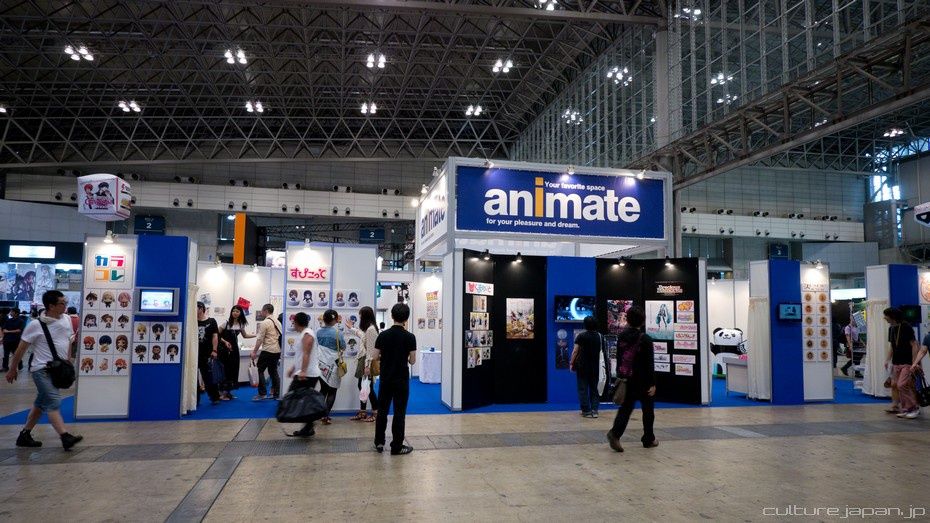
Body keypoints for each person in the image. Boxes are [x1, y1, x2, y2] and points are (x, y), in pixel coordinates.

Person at [4, 290, 83, 450]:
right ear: (51, 306)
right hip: (41, 370)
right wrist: (13, 369)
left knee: (41, 403)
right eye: (62, 303)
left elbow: (68, 340)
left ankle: (24, 435)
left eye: (65, 302)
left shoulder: (67, 319)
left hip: (58, 369)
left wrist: (67, 360)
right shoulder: (36, 325)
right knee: (53, 400)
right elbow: (21, 348)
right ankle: (65, 436)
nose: (65, 306)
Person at [606, 305, 657, 452]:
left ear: (627, 320)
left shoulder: (621, 337)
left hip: (627, 379)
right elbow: (649, 364)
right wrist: (652, 383)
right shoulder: (646, 339)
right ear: (643, 321)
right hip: (643, 381)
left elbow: (619, 357)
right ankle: (648, 439)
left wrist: (620, 375)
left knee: (626, 409)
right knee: (648, 411)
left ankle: (615, 433)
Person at [371, 303, 417, 455]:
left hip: (385, 378)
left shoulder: (383, 335)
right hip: (401, 380)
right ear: (406, 318)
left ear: (391, 316)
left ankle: (379, 442)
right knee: (399, 413)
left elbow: (375, 356)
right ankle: (396, 446)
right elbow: (412, 361)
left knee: (382, 411)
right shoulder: (410, 337)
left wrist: (386, 357)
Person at [884, 307, 921, 419]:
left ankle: (914, 407)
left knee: (902, 384)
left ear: (892, 316)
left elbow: (914, 345)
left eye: (886, 315)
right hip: (896, 362)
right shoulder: (891, 329)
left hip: (907, 362)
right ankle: (906, 408)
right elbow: (892, 346)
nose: (884, 318)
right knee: (897, 385)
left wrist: (914, 362)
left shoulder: (906, 327)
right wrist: (887, 359)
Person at [286, 312, 319, 438]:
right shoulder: (304, 334)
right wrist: (293, 368)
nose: (292, 324)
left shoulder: (307, 334)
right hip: (305, 372)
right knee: (304, 399)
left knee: (294, 396)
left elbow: (307, 354)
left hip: (308, 374)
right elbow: (300, 355)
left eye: (293, 322)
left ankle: (310, 423)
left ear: (296, 322)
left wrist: (303, 371)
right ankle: (309, 426)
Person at [346, 306, 379, 422]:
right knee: (363, 386)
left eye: (360, 315)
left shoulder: (371, 329)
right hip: (363, 359)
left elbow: (371, 350)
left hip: (366, 360)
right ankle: (363, 412)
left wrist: (367, 366)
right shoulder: (369, 329)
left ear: (365, 316)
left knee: (367, 387)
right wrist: (352, 328)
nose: (359, 317)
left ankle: (375, 412)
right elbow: (362, 336)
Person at [313, 309, 346, 424]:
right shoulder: (338, 333)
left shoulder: (317, 332)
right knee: (332, 390)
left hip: (321, 364)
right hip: (333, 364)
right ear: (335, 320)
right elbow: (343, 346)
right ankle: (325, 416)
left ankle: (319, 413)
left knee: (323, 389)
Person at [218, 305, 255, 400]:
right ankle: (222, 393)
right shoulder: (225, 323)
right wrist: (225, 342)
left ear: (240, 313)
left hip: (234, 350)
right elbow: (216, 335)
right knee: (225, 370)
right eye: (233, 311)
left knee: (233, 370)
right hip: (224, 350)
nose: (235, 313)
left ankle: (228, 392)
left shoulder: (241, 324)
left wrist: (256, 335)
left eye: (237, 311)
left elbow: (245, 335)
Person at [570, 316, 603, 418]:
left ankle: (586, 411)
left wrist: (571, 363)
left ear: (585, 324)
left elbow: (575, 351)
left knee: (583, 389)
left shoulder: (581, 336)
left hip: (582, 366)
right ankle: (595, 410)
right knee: (594, 388)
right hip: (596, 366)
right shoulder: (600, 336)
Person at [251, 304, 282, 401]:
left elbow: (260, 339)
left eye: (262, 310)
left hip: (268, 350)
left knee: (259, 370)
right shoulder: (277, 322)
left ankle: (262, 393)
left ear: (266, 311)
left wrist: (254, 352)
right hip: (277, 350)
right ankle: (276, 393)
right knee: (273, 371)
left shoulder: (265, 322)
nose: (261, 312)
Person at [196, 302, 221, 405]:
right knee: (193, 378)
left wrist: (214, 350)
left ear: (201, 308)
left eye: (196, 307)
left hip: (207, 353)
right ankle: (195, 400)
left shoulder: (211, 321)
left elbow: (215, 336)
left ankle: (215, 397)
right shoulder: (191, 322)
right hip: (193, 353)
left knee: (208, 377)